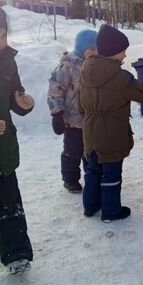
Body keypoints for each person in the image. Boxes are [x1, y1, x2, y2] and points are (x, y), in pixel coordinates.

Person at [78, 24, 143, 222]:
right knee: (111, 174)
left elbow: (79, 103)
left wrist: (88, 115)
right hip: (112, 134)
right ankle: (110, 211)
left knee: (92, 171)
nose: (125, 56)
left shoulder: (85, 71)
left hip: (90, 131)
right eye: (123, 51)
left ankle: (90, 206)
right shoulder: (120, 78)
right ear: (114, 52)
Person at [0, 3, 35, 274]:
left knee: (9, 203)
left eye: (3, 35)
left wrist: (24, 102)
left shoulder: (8, 61)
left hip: (3, 149)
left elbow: (15, 97)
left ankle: (17, 252)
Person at [47, 29, 98, 193]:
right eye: (94, 49)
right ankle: (70, 179)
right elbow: (55, 88)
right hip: (71, 121)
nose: (97, 52)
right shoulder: (68, 65)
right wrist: (57, 113)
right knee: (72, 151)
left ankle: (92, 177)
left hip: (90, 120)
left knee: (90, 151)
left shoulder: (95, 65)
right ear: (84, 49)